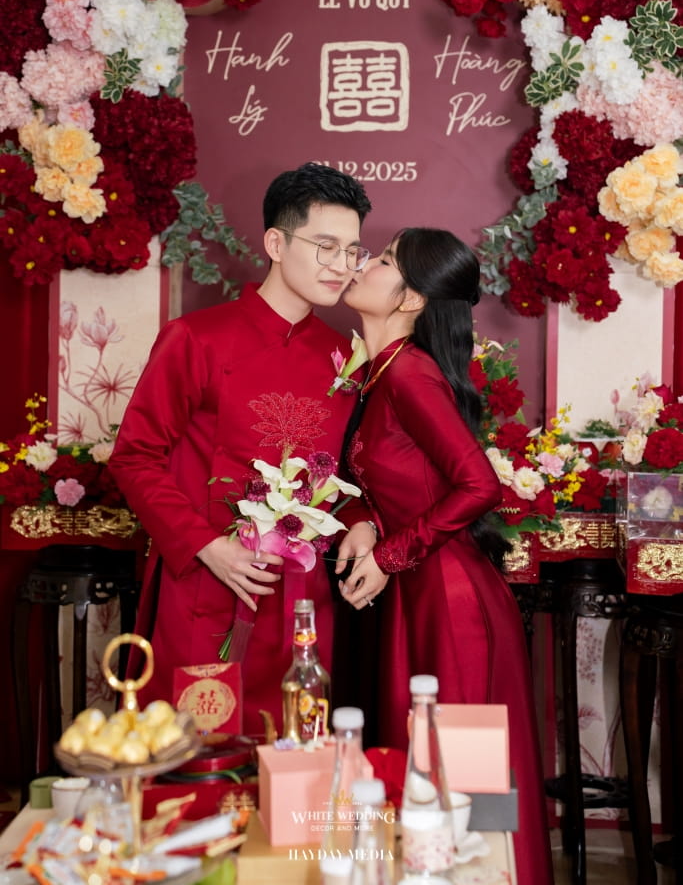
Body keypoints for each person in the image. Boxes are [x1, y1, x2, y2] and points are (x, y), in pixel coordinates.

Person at [109, 162, 376, 735]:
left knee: (295, 752)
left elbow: (348, 475)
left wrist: (360, 523)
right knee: (195, 754)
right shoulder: (195, 339)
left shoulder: (347, 360)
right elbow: (134, 456)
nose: (341, 265)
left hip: (303, 596)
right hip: (206, 581)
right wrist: (206, 545)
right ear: (276, 244)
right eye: (325, 246)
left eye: (353, 251)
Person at [336, 227, 554, 885]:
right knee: (429, 778)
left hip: (451, 605)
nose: (362, 264)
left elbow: (478, 486)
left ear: (410, 299)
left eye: (382, 260)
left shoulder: (408, 372)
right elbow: (406, 484)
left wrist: (390, 553)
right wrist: (368, 526)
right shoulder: (380, 372)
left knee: (464, 782)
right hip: (422, 590)